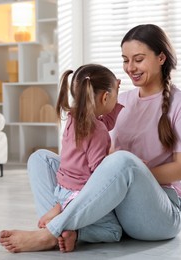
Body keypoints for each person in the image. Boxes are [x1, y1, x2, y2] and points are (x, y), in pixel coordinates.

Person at [0, 24, 181, 253]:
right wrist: (113, 174)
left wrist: (129, 174)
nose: (130, 68)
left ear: (161, 57)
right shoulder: (119, 99)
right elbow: (95, 147)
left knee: (123, 161)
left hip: (161, 211)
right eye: (125, 60)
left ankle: (51, 233)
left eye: (138, 59)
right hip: (114, 202)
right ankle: (71, 231)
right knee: (40, 159)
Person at [37, 64, 124, 247]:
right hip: (80, 193)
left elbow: (104, 119)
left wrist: (113, 93)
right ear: (105, 97)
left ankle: (60, 208)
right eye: (115, 96)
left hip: (62, 188)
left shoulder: (73, 117)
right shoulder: (98, 130)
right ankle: (75, 231)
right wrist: (114, 158)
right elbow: (99, 172)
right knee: (114, 231)